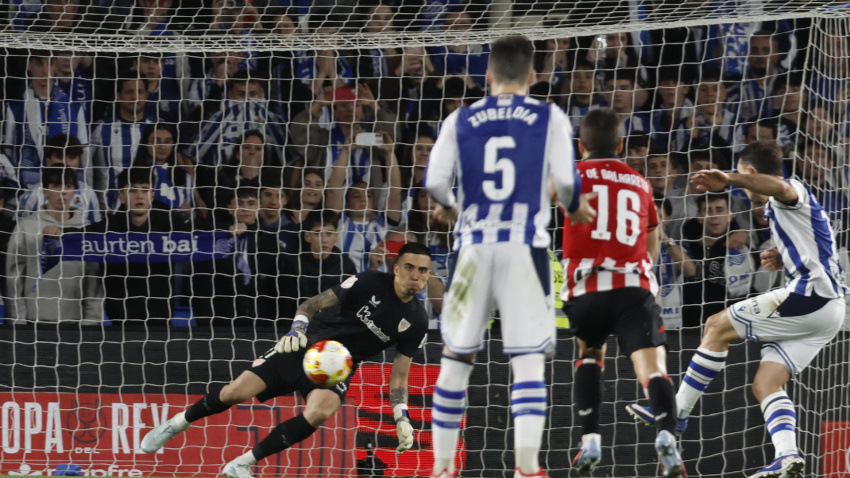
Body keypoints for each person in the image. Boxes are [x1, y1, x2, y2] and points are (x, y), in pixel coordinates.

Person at [424, 35, 592, 478]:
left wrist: (451, 207)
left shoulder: (460, 117)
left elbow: (435, 182)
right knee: (527, 360)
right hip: (524, 247)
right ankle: (526, 468)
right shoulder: (548, 115)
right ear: (533, 77)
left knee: (455, 359)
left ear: (488, 76)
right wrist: (574, 207)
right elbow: (568, 185)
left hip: (473, 248)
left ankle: (441, 469)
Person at [627, 140, 847, 478]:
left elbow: (779, 186)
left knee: (715, 326)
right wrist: (782, 256)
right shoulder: (781, 209)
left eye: (746, 180)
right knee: (766, 384)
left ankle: (676, 413)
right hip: (829, 312)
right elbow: (817, 244)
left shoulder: (789, 192)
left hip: (811, 298)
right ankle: (788, 456)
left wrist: (729, 179)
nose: (745, 194)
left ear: (752, 173)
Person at [140, 243, 433, 478]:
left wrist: (401, 415)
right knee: (235, 392)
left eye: (422, 270)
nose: (415, 275)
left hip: (337, 366)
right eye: (409, 267)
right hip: (305, 344)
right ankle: (178, 423)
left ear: (429, 274)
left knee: (322, 411)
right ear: (396, 269)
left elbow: (399, 377)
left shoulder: (417, 321)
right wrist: (297, 328)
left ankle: (242, 463)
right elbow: (312, 304)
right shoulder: (369, 281)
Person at [558, 108, 684, 477]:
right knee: (653, 369)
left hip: (587, 288)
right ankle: (665, 434)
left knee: (590, 356)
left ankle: (591, 441)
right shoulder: (641, 183)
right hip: (633, 287)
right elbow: (652, 241)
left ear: (580, 145)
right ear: (621, 144)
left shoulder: (572, 176)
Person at [7, 167, 103, 324]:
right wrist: (18, 319)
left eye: (68, 186)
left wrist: (91, 321)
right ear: (45, 191)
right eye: (56, 186)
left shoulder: (86, 230)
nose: (63, 192)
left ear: (74, 192)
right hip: (32, 323)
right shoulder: (26, 227)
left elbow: (93, 280)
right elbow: (13, 278)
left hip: (73, 325)